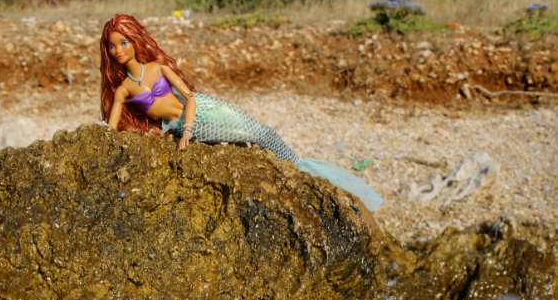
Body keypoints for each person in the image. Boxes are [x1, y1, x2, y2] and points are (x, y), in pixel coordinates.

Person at [99, 14, 383, 212]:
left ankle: (306, 170)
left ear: (135, 41)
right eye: (112, 45)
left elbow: (190, 98)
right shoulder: (124, 90)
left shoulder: (158, 67)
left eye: (124, 42)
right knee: (252, 139)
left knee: (261, 133)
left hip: (205, 113)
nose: (118, 50)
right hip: (176, 126)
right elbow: (110, 129)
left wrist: (187, 131)